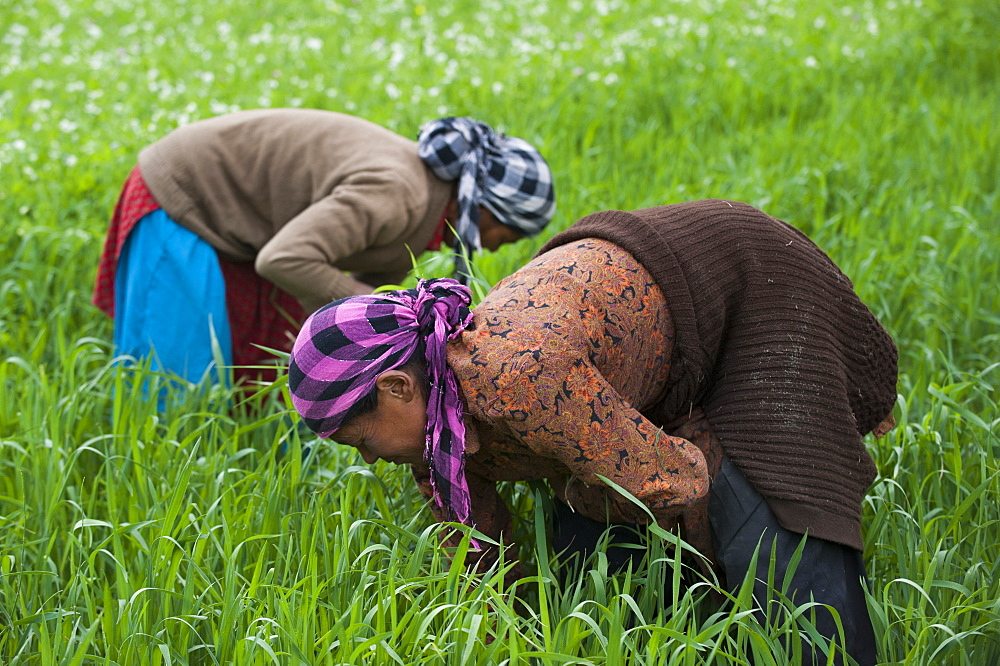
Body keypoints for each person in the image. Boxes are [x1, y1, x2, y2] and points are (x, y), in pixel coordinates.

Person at [287, 199, 898, 665]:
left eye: (360, 442)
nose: (368, 461)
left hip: (741, 281)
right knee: (588, 581)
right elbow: (483, 556)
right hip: (629, 353)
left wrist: (725, 606)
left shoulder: (519, 378)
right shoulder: (433, 436)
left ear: (398, 387)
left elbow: (675, 478)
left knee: (777, 521)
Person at [92, 109, 556, 389]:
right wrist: (365, 309)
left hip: (243, 220)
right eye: (507, 236)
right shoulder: (398, 195)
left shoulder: (425, 209)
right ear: (486, 209)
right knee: (174, 384)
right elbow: (285, 259)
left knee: (251, 379)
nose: (496, 249)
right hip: (183, 198)